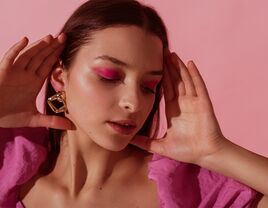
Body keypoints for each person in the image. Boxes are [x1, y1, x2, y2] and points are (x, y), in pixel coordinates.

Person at [0, 0, 267, 207]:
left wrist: (215, 153)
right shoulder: (7, 165)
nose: (134, 102)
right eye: (109, 77)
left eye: (148, 86)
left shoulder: (189, 189)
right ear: (60, 77)